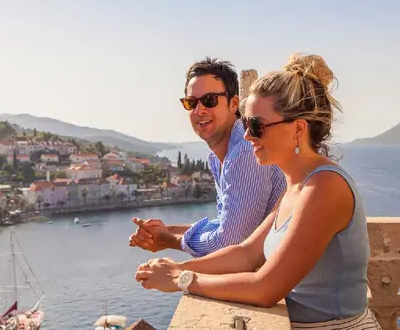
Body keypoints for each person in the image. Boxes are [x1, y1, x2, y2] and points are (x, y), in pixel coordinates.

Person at [134, 54, 380, 329]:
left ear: (298, 128)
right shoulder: (296, 185)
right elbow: (247, 252)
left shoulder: (324, 187)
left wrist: (180, 280)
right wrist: (178, 268)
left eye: (256, 126)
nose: (248, 136)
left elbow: (265, 288)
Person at [129, 58, 286, 257]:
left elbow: (229, 243)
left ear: (234, 103)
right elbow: (225, 225)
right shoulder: (219, 156)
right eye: (191, 102)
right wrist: (165, 230)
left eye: (210, 100)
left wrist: (167, 240)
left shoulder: (245, 152)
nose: (199, 110)